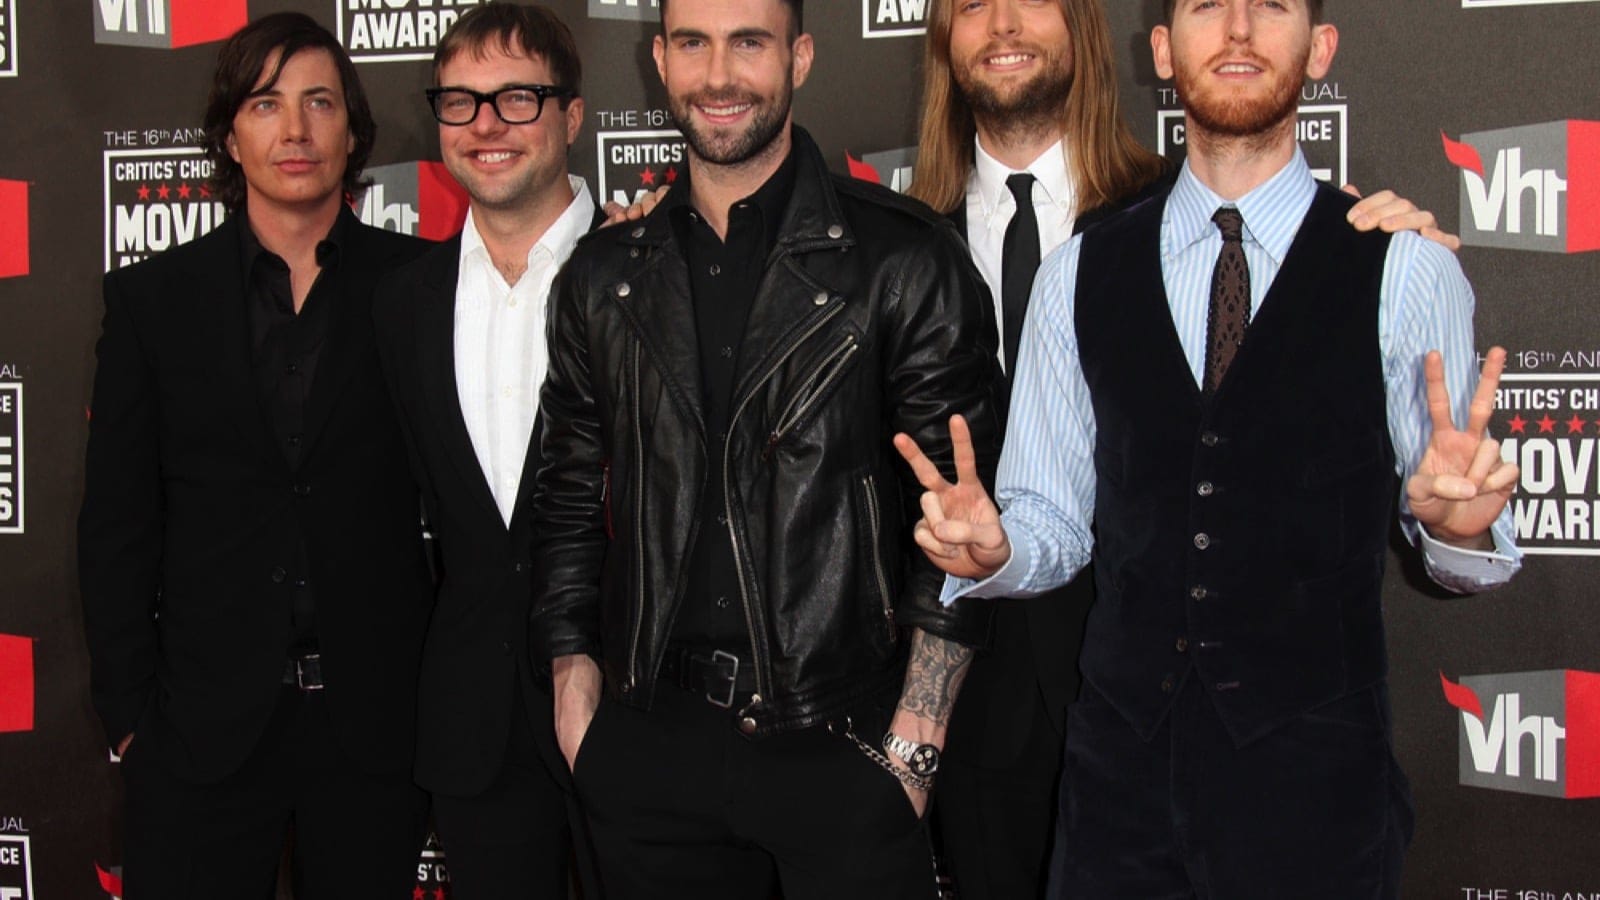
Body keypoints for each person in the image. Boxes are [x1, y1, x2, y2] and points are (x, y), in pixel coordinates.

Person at [898, 1, 1521, 897]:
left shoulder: (1406, 268)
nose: (1236, 29)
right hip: (1118, 795)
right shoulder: (1080, 272)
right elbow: (1050, 521)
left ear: (1320, 49)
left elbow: (1453, 526)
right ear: (1162, 48)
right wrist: (998, 551)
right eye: (1204, 6)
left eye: (1269, 4)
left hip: (1317, 794)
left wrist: (1459, 529)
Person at [529, 0, 1002, 896]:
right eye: (694, 45)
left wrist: (915, 744)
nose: (719, 76)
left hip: (845, 746)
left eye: (749, 42)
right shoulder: (602, 278)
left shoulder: (904, 260)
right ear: (660, 59)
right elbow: (563, 500)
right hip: (646, 749)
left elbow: (963, 520)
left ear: (800, 58)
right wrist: (573, 686)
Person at [79, 13, 432, 898]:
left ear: (353, 130)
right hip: (197, 732)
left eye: (320, 102)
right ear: (231, 134)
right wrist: (129, 722)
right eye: (267, 103)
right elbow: (117, 523)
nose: (296, 129)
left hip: (375, 730)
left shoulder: (425, 287)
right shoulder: (152, 302)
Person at [371, 5, 603, 898]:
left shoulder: (646, 268)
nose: (486, 126)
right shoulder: (402, 303)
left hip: (637, 721)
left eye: (516, 97)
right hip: (473, 732)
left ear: (572, 116)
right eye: (460, 103)